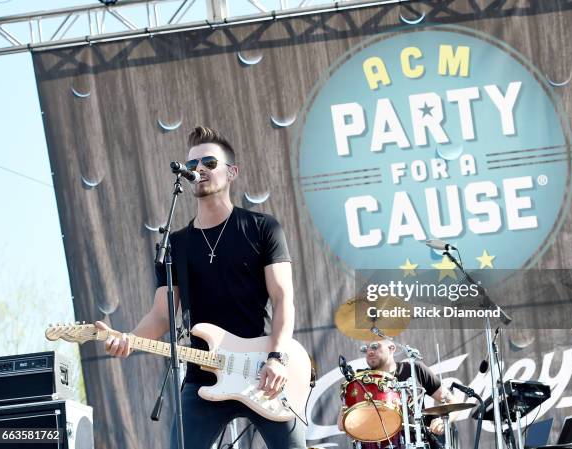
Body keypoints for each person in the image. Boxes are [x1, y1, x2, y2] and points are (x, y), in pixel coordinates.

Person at [95, 126, 305, 449]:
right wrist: (127, 340)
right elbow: (161, 316)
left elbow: (283, 299)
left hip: (263, 370)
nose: (199, 170)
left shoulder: (263, 228)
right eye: (192, 165)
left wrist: (277, 358)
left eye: (209, 162)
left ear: (231, 172)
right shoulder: (175, 246)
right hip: (203, 377)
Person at [337, 339, 454, 443]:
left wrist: (443, 421)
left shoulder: (414, 369)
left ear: (392, 348)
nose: (369, 352)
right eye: (365, 349)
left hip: (416, 442)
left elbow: (452, 402)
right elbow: (342, 425)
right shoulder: (359, 380)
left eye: (374, 346)